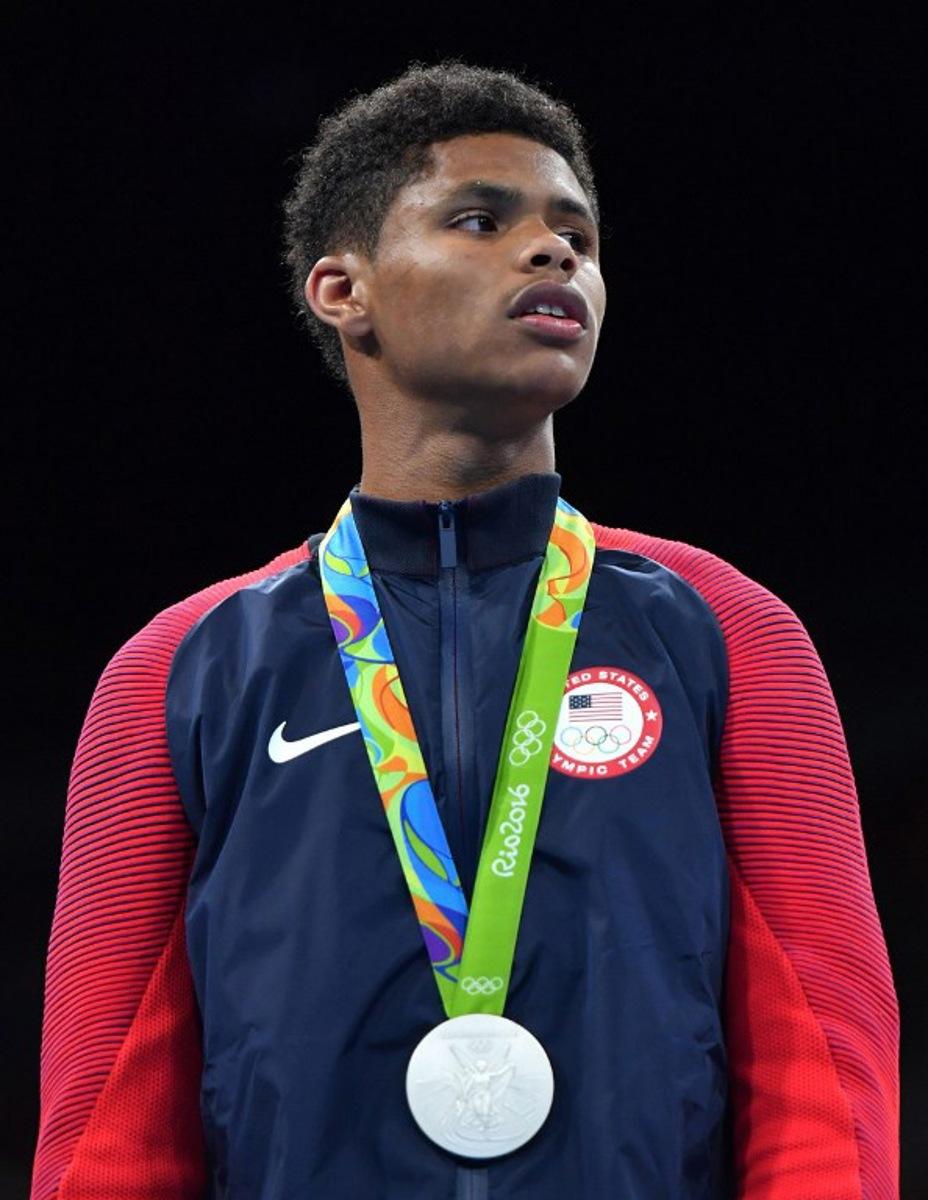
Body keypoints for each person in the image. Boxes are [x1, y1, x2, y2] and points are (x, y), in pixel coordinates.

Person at [31, 61, 899, 1199]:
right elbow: (108, 1120)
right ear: (343, 290)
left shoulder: (727, 629)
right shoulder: (178, 670)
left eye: (576, 235)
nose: (555, 255)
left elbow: (824, 1073)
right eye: (482, 220)